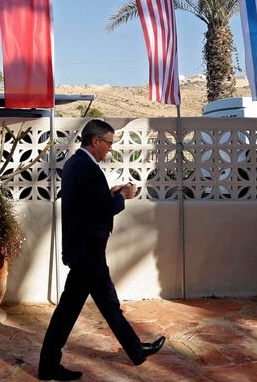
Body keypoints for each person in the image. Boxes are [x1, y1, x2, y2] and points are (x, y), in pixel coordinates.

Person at [38, 119, 166, 381]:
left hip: (86, 250)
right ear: (95, 141)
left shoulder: (76, 164)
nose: (110, 148)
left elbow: (89, 203)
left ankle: (135, 350)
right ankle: (49, 365)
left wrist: (109, 192)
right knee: (71, 311)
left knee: (105, 305)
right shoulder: (86, 168)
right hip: (88, 252)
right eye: (108, 143)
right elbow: (103, 209)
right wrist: (123, 197)